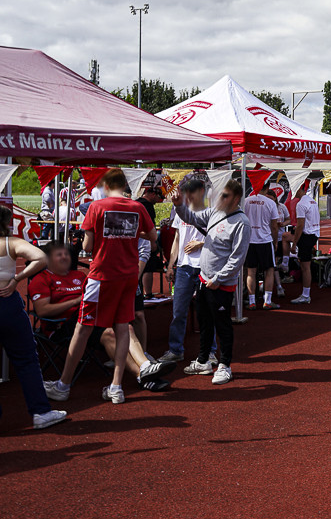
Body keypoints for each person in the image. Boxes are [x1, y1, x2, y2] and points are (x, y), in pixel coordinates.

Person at [43, 169, 155, 405]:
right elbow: (153, 236)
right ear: (124, 184)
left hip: (102, 275)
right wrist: (129, 233)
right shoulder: (137, 207)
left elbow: (87, 245)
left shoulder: (97, 206)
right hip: (128, 275)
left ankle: (64, 384)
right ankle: (116, 386)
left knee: (83, 328)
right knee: (122, 328)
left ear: (106, 185)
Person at [31, 242, 175, 392]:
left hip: (92, 314)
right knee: (110, 334)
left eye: (66, 254)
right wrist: (77, 301)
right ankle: (142, 376)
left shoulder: (79, 275)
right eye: (59, 255)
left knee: (126, 328)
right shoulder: (41, 279)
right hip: (64, 324)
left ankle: (146, 365)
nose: (64, 257)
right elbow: (42, 310)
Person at [171, 179, 250, 384]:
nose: (220, 199)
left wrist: (218, 278)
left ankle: (225, 365)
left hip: (221, 284)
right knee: (204, 322)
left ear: (236, 198)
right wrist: (179, 205)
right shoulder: (215, 212)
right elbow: (191, 217)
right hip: (204, 279)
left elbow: (237, 258)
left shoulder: (241, 223)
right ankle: (203, 360)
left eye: (225, 196)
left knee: (222, 325)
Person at [0, 207, 69, 429]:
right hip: (7, 304)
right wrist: (16, 279)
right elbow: (41, 257)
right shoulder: (11, 243)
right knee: (26, 360)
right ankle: (41, 412)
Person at [160, 180, 210, 363]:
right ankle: (175, 350)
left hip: (204, 266)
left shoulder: (210, 212)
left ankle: (210, 351)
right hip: (184, 267)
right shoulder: (180, 212)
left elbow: (221, 238)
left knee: (206, 312)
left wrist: (201, 243)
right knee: (179, 311)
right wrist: (171, 264)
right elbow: (177, 239)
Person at [244, 186, 280, 310]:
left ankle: (252, 302)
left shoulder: (246, 201)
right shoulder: (270, 203)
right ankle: (267, 301)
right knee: (269, 270)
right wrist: (275, 241)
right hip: (265, 240)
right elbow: (274, 226)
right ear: (267, 187)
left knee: (251, 272)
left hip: (250, 241)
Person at [290, 181, 321, 304]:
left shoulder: (301, 204)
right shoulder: (312, 201)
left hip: (307, 236)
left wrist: (294, 244)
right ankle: (305, 293)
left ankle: (306, 295)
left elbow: (300, 225)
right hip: (314, 234)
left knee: (305, 267)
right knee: (305, 266)